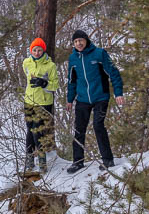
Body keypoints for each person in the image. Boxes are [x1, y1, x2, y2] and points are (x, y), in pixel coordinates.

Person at [65, 29, 124, 173]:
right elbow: (72, 81)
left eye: (81, 40)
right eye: (76, 41)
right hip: (83, 99)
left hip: (101, 96)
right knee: (79, 129)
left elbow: (114, 73)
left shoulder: (99, 53)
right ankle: (77, 162)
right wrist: (70, 99)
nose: (79, 43)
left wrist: (118, 93)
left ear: (86, 40)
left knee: (98, 126)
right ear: (73, 43)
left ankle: (107, 160)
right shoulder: (73, 58)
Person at [23, 37, 58, 173]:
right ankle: (29, 160)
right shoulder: (26, 62)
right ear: (31, 50)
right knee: (30, 131)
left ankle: (42, 161)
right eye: (34, 50)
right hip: (29, 101)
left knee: (38, 131)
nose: (37, 52)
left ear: (43, 51)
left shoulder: (50, 66)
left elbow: (55, 85)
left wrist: (44, 83)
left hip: (43, 102)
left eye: (39, 50)